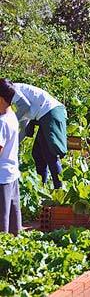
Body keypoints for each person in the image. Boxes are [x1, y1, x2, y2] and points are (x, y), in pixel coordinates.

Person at [0, 79, 67, 189]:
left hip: (50, 112)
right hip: (42, 115)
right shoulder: (11, 97)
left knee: (50, 154)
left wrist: (10, 123)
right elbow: (24, 118)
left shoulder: (11, 91)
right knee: (37, 153)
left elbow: (24, 108)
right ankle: (42, 187)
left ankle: (60, 189)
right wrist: (15, 141)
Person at [0, 79, 22, 235]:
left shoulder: (1, 123)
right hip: (12, 172)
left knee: (2, 217)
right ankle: (14, 245)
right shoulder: (11, 115)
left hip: (1, 177)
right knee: (14, 214)